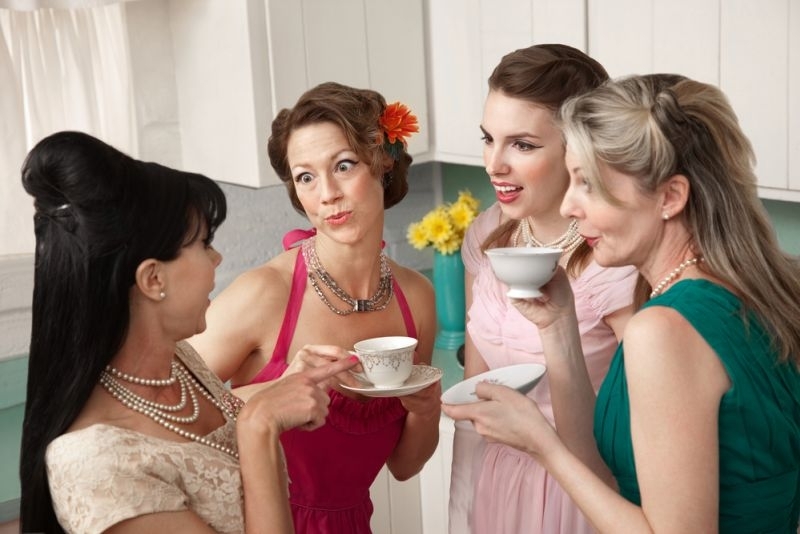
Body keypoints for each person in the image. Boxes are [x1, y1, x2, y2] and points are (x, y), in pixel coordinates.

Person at [443, 73, 800, 532]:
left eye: (588, 184)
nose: (570, 207)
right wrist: (558, 325)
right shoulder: (762, 291)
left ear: (670, 197)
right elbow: (610, 477)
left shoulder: (665, 329)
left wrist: (542, 445)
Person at [18, 130, 359, 534]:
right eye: (202, 243)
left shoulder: (175, 361)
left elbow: (207, 420)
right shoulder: (97, 464)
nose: (217, 258)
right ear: (153, 279)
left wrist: (284, 386)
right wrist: (260, 425)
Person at [188, 82, 439, 534]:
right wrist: (275, 391)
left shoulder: (416, 297)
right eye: (306, 177)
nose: (327, 194)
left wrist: (425, 409)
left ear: (383, 162)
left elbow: (405, 466)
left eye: (343, 166)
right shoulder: (264, 294)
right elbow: (161, 414)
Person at [449, 44, 638, 534]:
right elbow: (475, 396)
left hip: (583, 496)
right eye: (489, 139)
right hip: (497, 482)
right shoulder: (486, 235)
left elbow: (644, 437)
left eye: (523, 145)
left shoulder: (618, 262)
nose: (494, 165)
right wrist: (461, 510)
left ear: (580, 150)